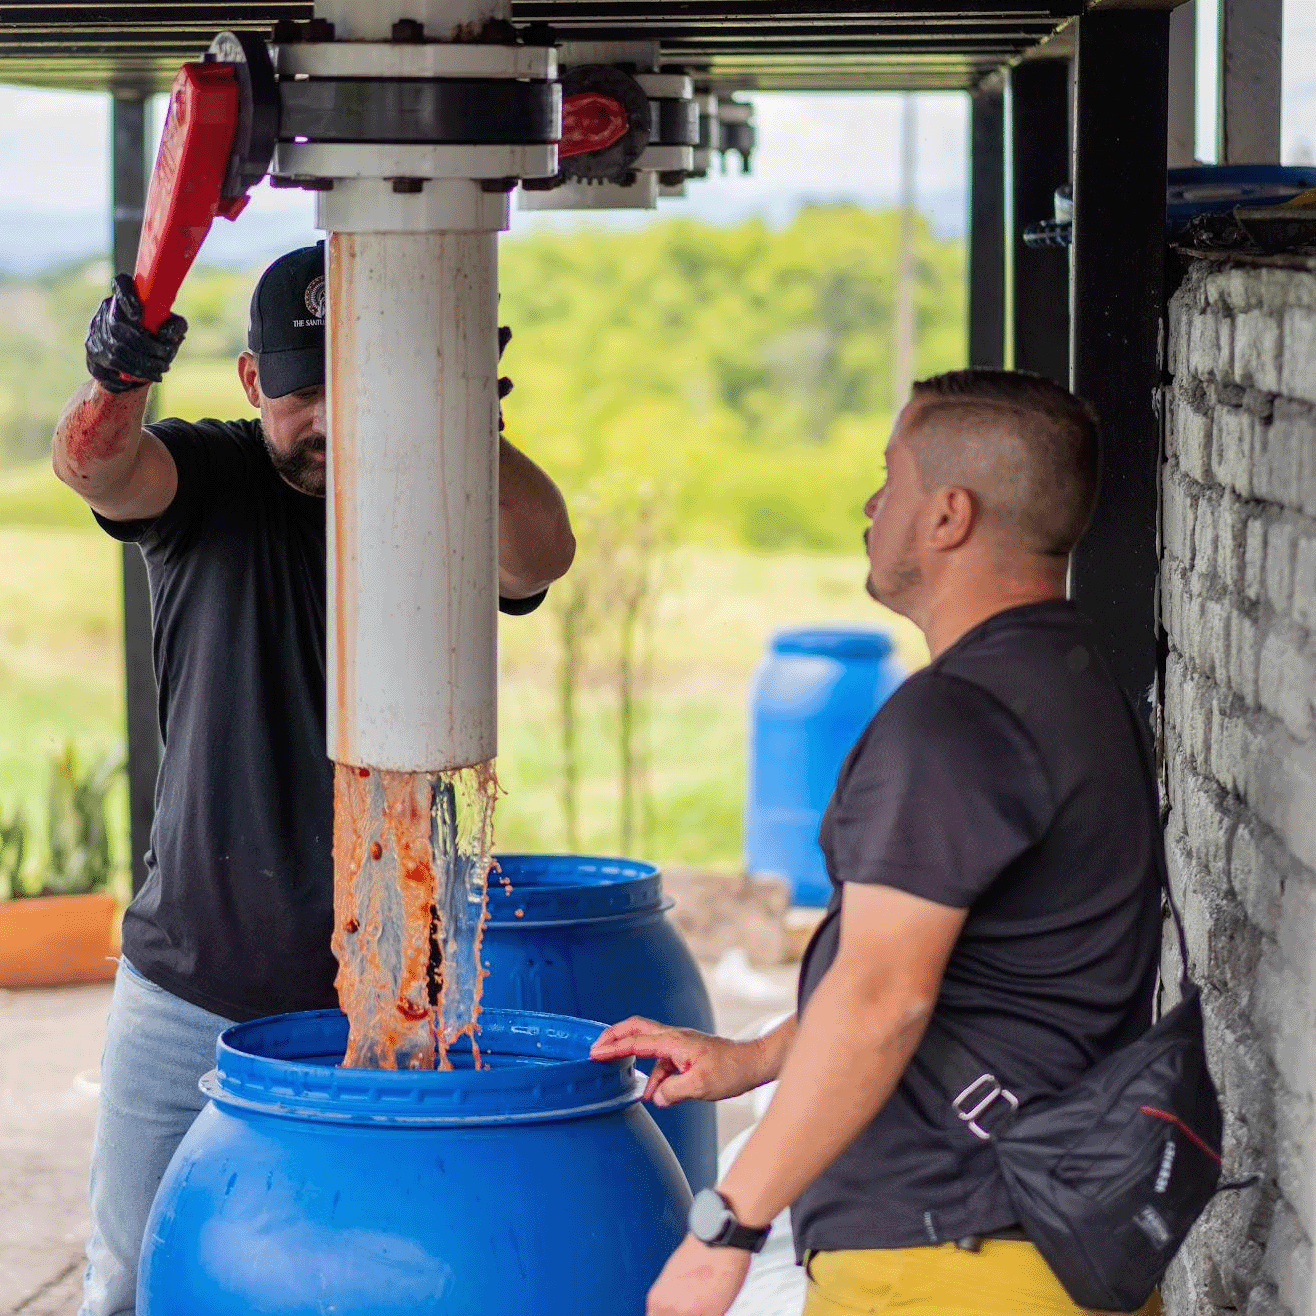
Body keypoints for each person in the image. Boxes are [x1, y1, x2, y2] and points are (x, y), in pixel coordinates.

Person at [53, 243, 576, 1316]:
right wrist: (118, 377)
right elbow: (99, 468)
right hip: (188, 982)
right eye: (306, 391)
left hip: (389, 997)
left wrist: (462, 417)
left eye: (367, 384)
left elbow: (540, 557)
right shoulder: (215, 479)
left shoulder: (442, 488)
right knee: (130, 1285)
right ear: (253, 382)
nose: (335, 417)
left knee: (371, 1285)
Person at [592, 369, 1164, 1316]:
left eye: (889, 477)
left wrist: (726, 1228)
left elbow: (884, 998)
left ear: (947, 516)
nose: (872, 502)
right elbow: (962, 976)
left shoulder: (953, 721)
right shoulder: (1072, 683)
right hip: (1048, 1249)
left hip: (949, 1266)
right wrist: (753, 1058)